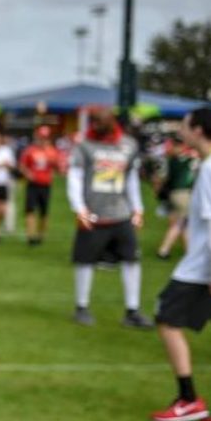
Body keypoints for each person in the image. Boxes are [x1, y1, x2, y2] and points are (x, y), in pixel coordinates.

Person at [149, 107, 211, 421]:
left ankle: (188, 399)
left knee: (165, 317)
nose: (181, 130)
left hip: (208, 265)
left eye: (186, 125)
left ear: (199, 130)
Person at [67, 107, 153, 328]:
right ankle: (81, 306)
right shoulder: (84, 145)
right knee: (85, 260)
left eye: (99, 122)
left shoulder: (128, 145)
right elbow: (74, 177)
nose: (95, 126)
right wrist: (80, 208)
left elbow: (131, 178)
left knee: (131, 259)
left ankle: (132, 310)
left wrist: (138, 208)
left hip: (120, 211)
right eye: (93, 122)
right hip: (94, 212)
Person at [157, 136, 197, 260]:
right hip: (184, 193)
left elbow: (162, 178)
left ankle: (188, 251)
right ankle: (164, 249)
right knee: (182, 223)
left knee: (181, 223)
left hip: (173, 193)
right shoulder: (190, 159)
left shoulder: (171, 160)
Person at [20, 125, 60, 246]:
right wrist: (28, 174)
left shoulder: (52, 151)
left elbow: (57, 168)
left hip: (45, 184)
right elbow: (22, 165)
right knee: (30, 210)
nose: (43, 140)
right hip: (33, 184)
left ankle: (40, 235)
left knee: (44, 212)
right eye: (41, 138)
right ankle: (30, 236)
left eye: (46, 138)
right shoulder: (30, 150)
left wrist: (54, 167)